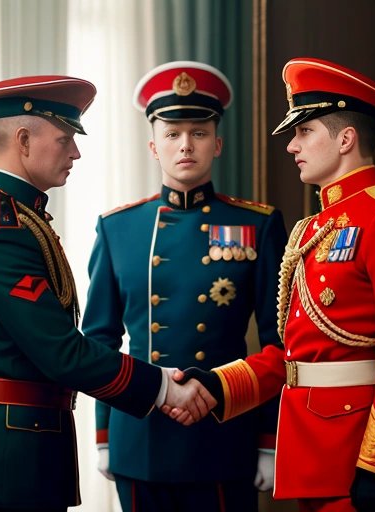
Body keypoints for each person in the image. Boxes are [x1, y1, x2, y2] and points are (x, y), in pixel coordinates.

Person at [171, 57, 375, 512]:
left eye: (304, 132)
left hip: (359, 454)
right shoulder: (311, 228)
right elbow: (295, 356)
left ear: (346, 139)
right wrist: (219, 385)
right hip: (313, 451)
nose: (293, 146)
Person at [0, 75, 215, 512]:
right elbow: (61, 352)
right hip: (4, 462)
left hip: (21, 446)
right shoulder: (1, 230)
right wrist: (163, 387)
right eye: (64, 138)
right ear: (23, 140)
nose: (75, 151)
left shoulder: (16, 215)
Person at [81, 61, 287, 512]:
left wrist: (269, 441)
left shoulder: (258, 224)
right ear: (154, 146)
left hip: (223, 433)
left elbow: (281, 344)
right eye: (172, 133)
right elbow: (99, 341)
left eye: (198, 131)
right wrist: (103, 436)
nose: (185, 145)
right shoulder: (119, 228)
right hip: (140, 433)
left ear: (218, 143)